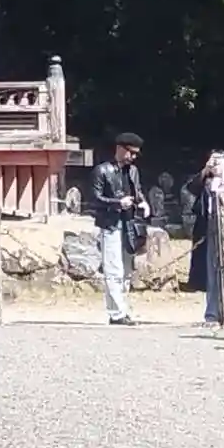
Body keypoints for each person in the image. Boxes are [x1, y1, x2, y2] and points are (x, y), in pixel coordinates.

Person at [90, 132, 149, 326]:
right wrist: (117, 202)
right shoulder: (102, 170)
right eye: (131, 152)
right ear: (120, 149)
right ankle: (116, 313)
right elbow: (95, 199)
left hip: (130, 224)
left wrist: (143, 202)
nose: (133, 157)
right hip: (110, 224)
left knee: (126, 270)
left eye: (136, 154)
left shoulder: (133, 171)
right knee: (113, 268)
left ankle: (121, 308)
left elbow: (137, 191)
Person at [187, 151, 224, 325]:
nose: (216, 166)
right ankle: (212, 313)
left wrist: (223, 177)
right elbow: (191, 188)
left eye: (219, 162)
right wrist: (206, 170)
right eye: (213, 162)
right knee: (211, 273)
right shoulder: (205, 183)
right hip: (207, 229)